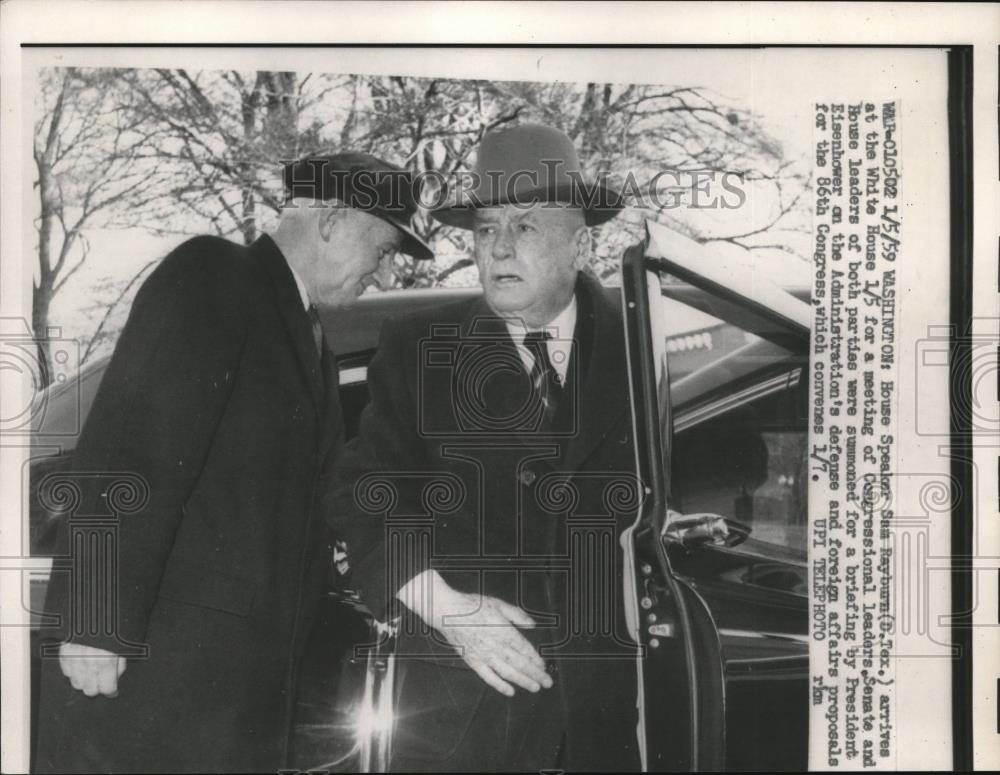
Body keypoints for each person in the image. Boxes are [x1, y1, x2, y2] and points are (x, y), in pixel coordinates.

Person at [34, 153, 433, 774]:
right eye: (382, 251)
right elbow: (129, 448)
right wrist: (94, 622)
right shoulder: (216, 274)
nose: (381, 276)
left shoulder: (310, 338)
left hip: (232, 693)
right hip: (156, 678)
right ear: (332, 219)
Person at [328, 124, 642, 771]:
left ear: (580, 241)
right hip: (460, 723)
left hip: (603, 724)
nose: (499, 247)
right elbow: (363, 494)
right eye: (485, 228)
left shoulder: (640, 351)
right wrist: (446, 607)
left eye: (525, 226)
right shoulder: (421, 348)